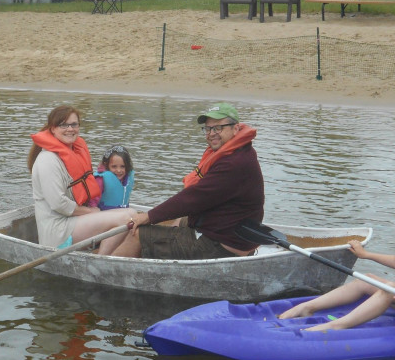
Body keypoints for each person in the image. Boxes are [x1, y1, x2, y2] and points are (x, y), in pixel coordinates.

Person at [112, 102, 264, 259]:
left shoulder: (234, 163)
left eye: (218, 128)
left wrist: (148, 216)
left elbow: (193, 198)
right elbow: (196, 200)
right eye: (208, 128)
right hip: (226, 233)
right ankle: (164, 257)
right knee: (181, 219)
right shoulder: (242, 152)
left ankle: (106, 272)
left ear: (236, 128)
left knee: (138, 234)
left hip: (220, 247)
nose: (212, 133)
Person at [279, 194, 395, 331]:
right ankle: (306, 307)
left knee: (388, 290)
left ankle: (336, 326)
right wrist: (366, 255)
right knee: (366, 279)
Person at [28, 105, 135, 255]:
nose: (70, 129)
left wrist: (93, 211)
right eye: (63, 125)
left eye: (74, 124)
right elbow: (59, 204)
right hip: (58, 230)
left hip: (74, 221)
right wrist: (90, 211)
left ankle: (103, 253)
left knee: (133, 214)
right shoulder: (47, 160)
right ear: (52, 129)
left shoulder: (75, 153)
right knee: (126, 217)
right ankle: (102, 260)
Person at [91, 145, 135, 210]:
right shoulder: (100, 180)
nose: (119, 170)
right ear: (106, 165)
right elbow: (92, 201)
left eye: (122, 166)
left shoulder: (126, 177)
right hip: (104, 214)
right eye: (114, 166)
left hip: (121, 213)